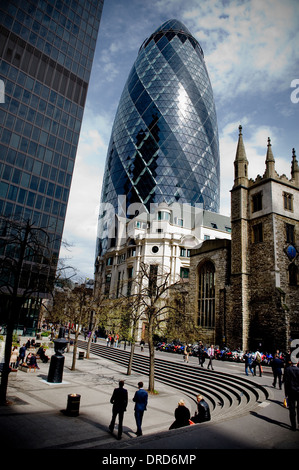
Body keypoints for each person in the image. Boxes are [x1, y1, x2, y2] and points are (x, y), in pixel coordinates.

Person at [284, 360, 299, 431]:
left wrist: (286, 394)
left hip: (290, 392)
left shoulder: (287, 370)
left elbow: (286, 382)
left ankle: (293, 426)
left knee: (292, 409)